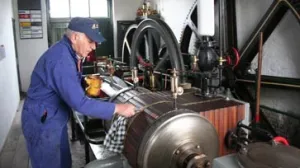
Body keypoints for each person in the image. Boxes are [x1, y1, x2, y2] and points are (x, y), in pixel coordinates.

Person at [21, 17, 136, 168]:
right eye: (90, 41)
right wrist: (119, 108)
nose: (94, 47)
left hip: (55, 115)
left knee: (63, 162)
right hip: (42, 120)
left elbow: (67, 83)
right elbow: (79, 104)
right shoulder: (60, 59)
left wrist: (82, 83)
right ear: (75, 37)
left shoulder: (72, 53)